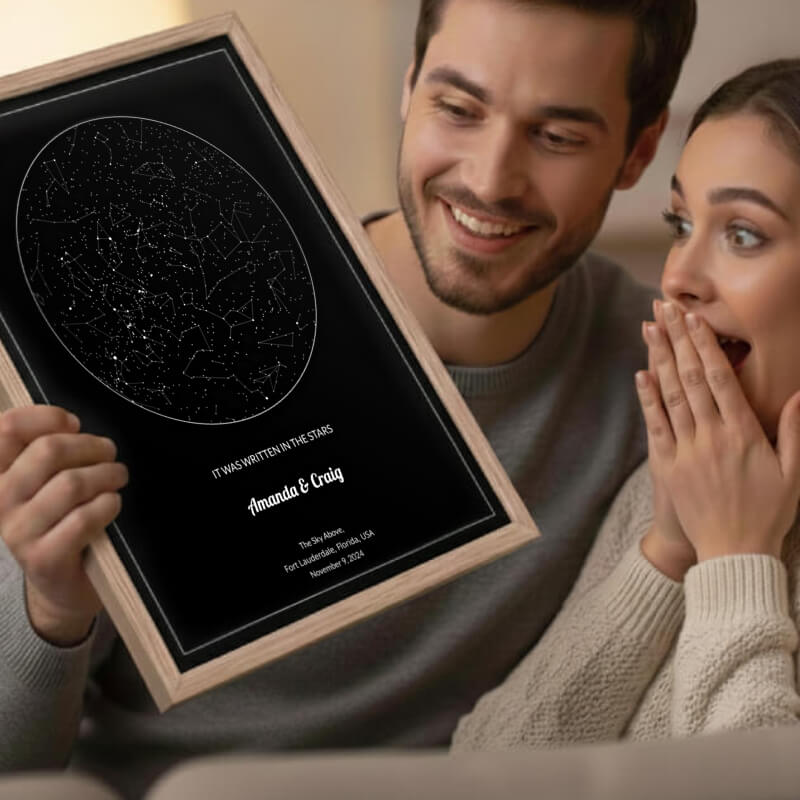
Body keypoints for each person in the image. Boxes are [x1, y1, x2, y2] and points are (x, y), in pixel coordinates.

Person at [0, 0, 695, 796]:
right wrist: (51, 612)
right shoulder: (175, 327)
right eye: (458, 109)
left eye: (558, 137)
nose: (489, 179)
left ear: (639, 151)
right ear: (410, 86)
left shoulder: (669, 383)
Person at [452, 58, 800, 751]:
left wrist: (735, 556)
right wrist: (666, 551)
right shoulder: (673, 484)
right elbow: (482, 772)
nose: (678, 276)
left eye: (742, 234)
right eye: (681, 223)